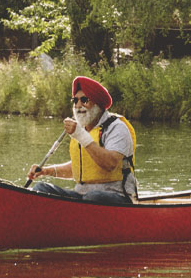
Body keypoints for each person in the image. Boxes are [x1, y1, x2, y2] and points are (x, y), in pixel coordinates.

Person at [26, 76, 138, 204]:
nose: (78, 105)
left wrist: (81, 136)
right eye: (75, 100)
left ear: (97, 104)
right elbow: (81, 168)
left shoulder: (117, 128)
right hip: (82, 196)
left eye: (84, 100)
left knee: (92, 197)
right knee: (41, 189)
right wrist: (46, 171)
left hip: (117, 197)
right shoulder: (83, 129)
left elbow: (110, 164)